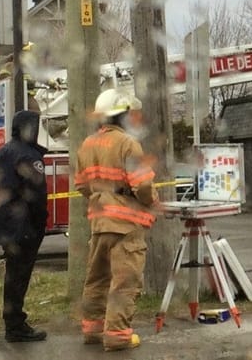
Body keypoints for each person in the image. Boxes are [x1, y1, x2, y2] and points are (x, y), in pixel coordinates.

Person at [75, 88, 159, 352]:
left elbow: (82, 185)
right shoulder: (127, 144)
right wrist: (150, 202)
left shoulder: (87, 144)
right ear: (122, 115)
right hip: (125, 224)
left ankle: (93, 330)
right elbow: (143, 186)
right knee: (124, 281)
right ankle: (117, 335)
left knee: (97, 278)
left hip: (99, 222)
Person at [0, 110, 50, 342]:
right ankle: (15, 326)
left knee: (13, 275)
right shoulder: (29, 156)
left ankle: (14, 321)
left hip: (4, 226)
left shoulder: (1, 153)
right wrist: (39, 224)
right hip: (23, 226)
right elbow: (37, 196)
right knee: (19, 275)